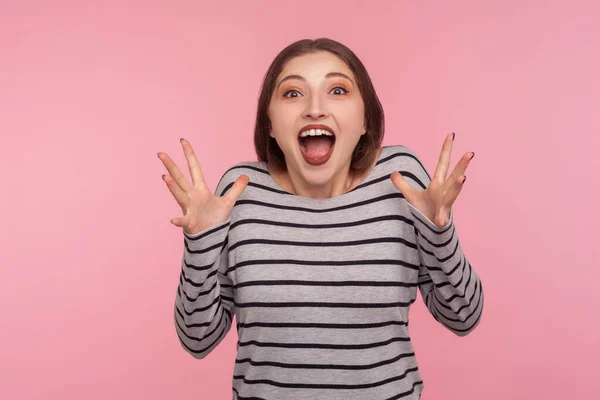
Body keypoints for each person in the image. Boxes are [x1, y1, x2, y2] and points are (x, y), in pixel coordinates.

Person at [158, 38, 483, 400]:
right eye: (293, 93)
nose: (315, 108)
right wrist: (200, 244)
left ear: (364, 121)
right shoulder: (241, 190)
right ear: (269, 124)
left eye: (338, 90)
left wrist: (440, 234)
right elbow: (197, 339)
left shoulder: (401, 180)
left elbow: (463, 317)